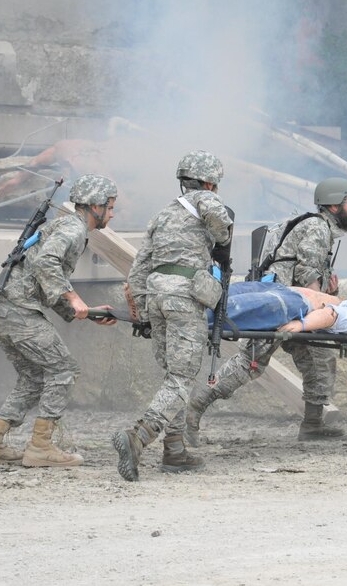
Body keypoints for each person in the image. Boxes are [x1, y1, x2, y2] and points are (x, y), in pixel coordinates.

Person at [186, 177, 347, 445]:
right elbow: (307, 273)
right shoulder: (317, 227)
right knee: (249, 363)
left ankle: (313, 424)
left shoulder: (317, 225)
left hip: (290, 303)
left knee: (319, 359)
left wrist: (327, 292)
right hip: (279, 305)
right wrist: (323, 304)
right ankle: (193, 409)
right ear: (334, 206)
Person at [0, 174, 120, 467]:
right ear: (95, 206)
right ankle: (41, 447)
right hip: (17, 310)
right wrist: (74, 298)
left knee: (33, 377)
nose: (113, 214)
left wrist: (86, 312)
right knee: (63, 370)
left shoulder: (64, 226)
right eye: (111, 207)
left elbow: (43, 278)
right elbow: (46, 263)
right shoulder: (73, 229)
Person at [112, 150, 233, 481]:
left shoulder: (162, 215)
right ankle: (138, 437)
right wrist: (222, 237)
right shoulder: (206, 199)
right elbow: (220, 223)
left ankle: (175, 450)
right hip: (184, 297)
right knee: (182, 378)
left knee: (172, 376)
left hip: (156, 296)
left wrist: (142, 311)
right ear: (209, 182)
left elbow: (138, 269)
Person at [210, 281, 347, 335]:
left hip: (294, 303)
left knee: (229, 308)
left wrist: (301, 324)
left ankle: (195, 319)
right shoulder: (342, 302)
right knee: (217, 293)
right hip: (283, 290)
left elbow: (330, 315)